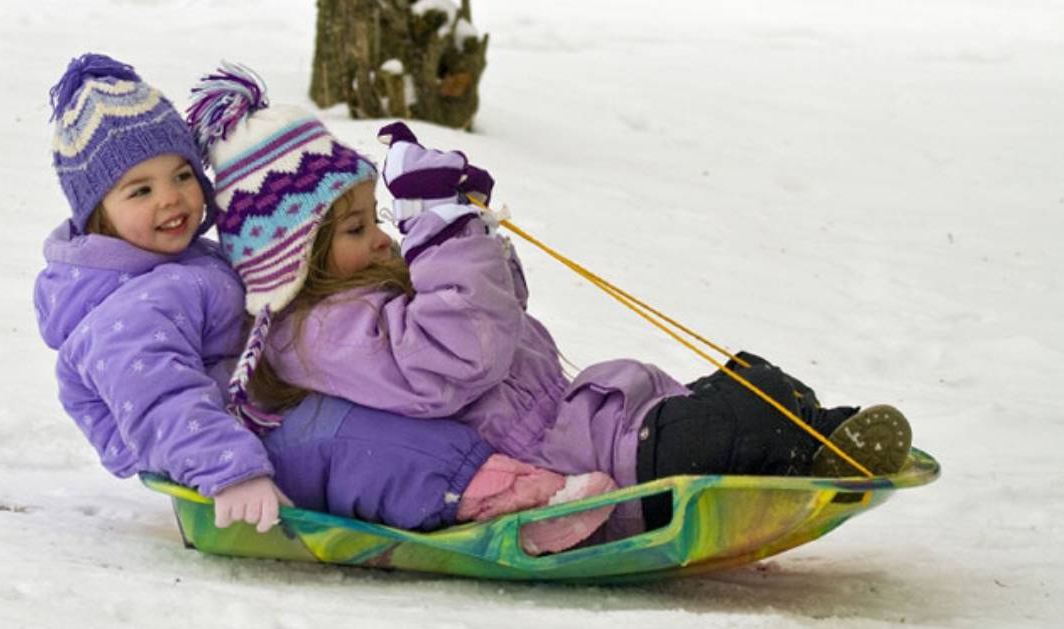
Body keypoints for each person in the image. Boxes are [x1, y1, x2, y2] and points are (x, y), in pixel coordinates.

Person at [197, 63, 915, 543]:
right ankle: (810, 455)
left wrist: (467, 229)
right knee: (732, 426)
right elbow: (458, 358)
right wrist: (444, 240)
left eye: (377, 217)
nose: (382, 238)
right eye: (355, 229)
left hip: (600, 416)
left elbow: (499, 314)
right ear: (297, 261)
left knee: (752, 380)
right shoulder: (324, 335)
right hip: (581, 461)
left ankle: (829, 432)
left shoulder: (370, 291)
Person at [35, 54, 617, 555]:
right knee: (378, 444)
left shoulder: (186, 262)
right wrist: (231, 474)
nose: (172, 199)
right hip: (238, 451)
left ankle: (522, 474)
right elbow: (160, 400)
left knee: (393, 405)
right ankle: (512, 505)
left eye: (182, 175)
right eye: (141, 190)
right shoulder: (125, 311)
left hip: (266, 417)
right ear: (97, 214)